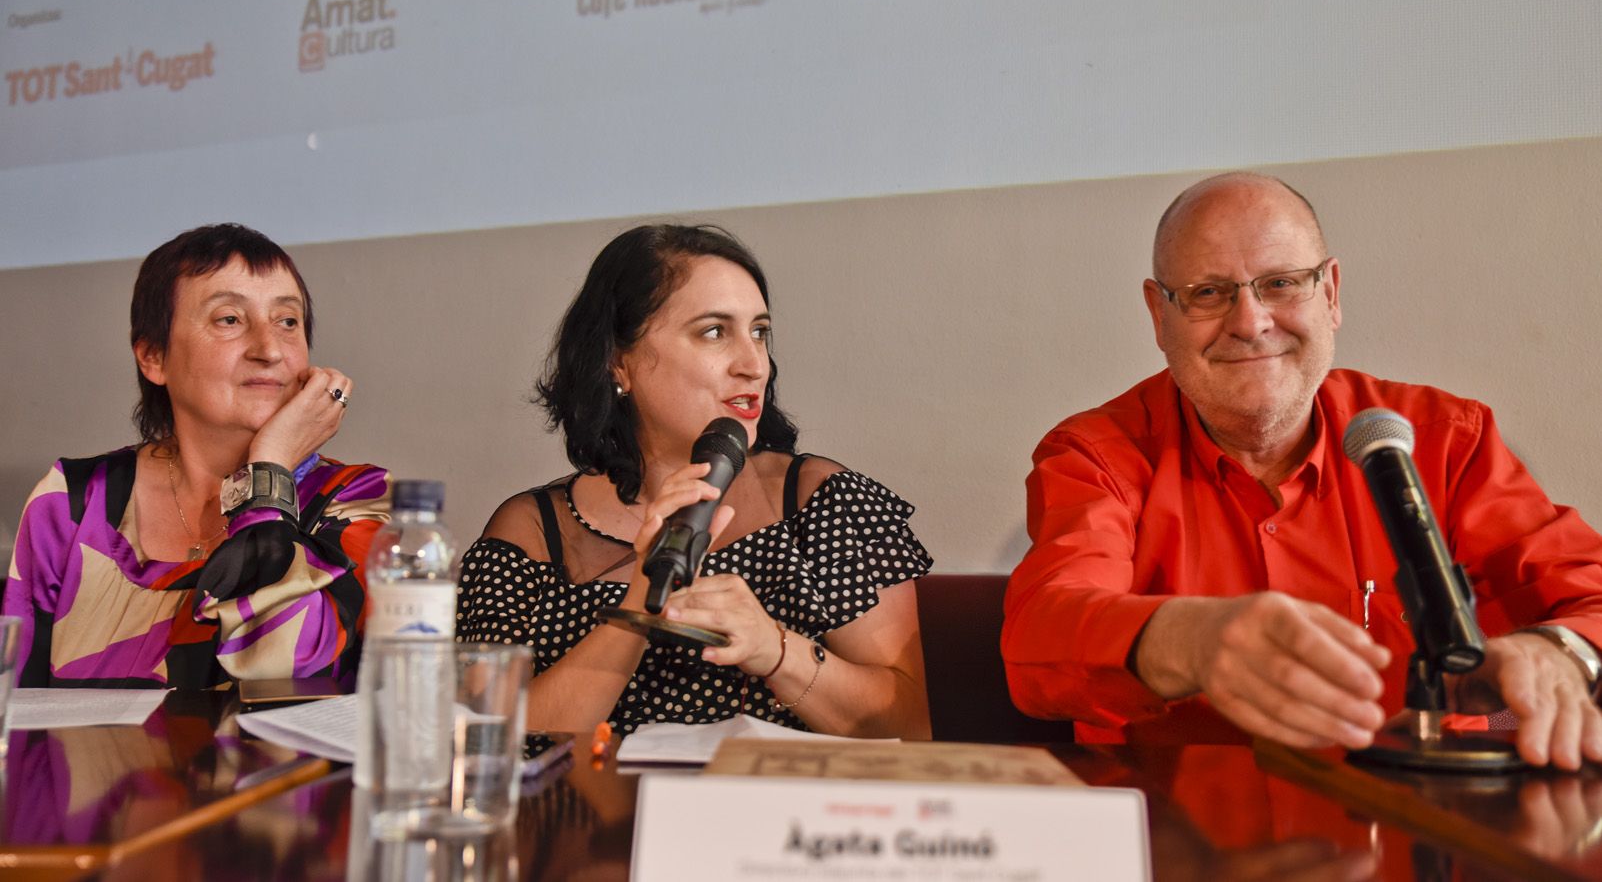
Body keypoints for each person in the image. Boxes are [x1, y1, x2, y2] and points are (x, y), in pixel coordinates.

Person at [1003, 172, 1602, 770]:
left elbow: (1589, 596)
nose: (1251, 321)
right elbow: (1040, 640)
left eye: (1281, 284)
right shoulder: (1096, 456)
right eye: (1209, 293)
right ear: (1159, 315)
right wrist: (1193, 639)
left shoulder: (1445, 441)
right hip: (1183, 838)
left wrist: (1557, 655)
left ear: (1332, 293)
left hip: (1423, 821)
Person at [457, 224, 932, 737]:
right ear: (618, 361)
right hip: (591, 816)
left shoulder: (819, 501)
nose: (755, 365)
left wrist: (774, 649)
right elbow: (490, 739)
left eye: (760, 332)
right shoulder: (532, 531)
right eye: (714, 332)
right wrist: (643, 596)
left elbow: (908, 725)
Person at [5, 224, 390, 688]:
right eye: (229, 319)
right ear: (154, 357)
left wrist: (269, 468)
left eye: (287, 322)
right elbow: (14, 706)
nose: (269, 350)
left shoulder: (362, 501)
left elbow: (279, 668)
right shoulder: (71, 500)